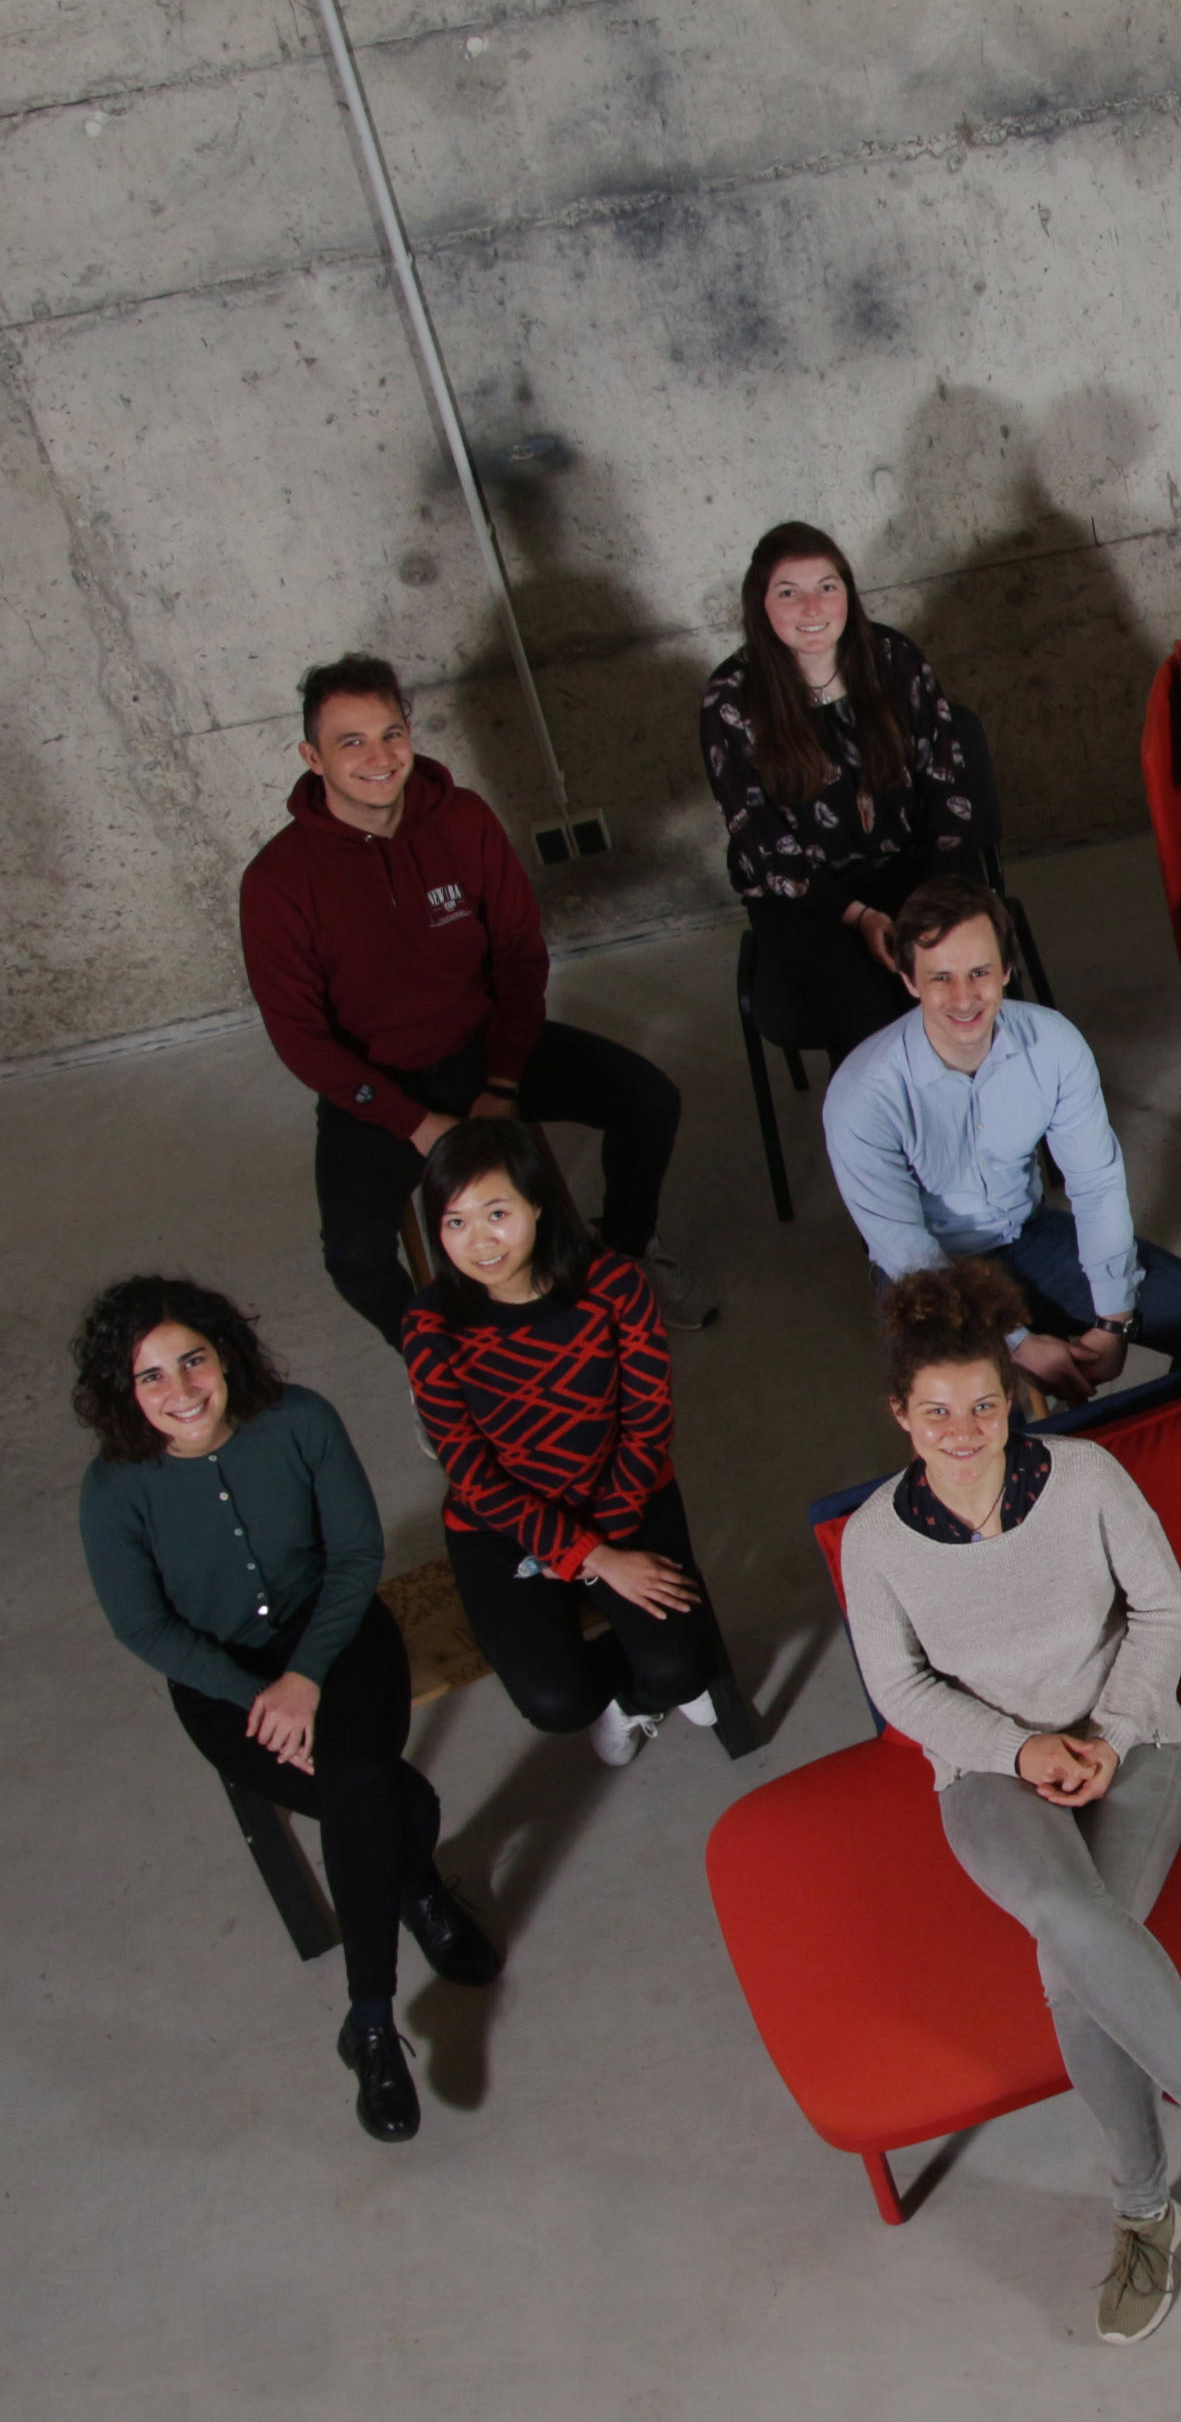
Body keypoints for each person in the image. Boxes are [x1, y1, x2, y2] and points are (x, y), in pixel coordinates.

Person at [840, 1259, 1181, 2346]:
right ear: (902, 1417)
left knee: (1071, 1963)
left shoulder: (1087, 1480)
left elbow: (1160, 1609)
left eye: (986, 1406)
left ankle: (1143, 2208)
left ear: (1017, 1402)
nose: (966, 1429)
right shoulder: (876, 1543)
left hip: (1135, 1739)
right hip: (993, 1770)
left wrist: (1107, 1732)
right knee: (1069, 1920)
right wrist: (1022, 1746)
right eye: (940, 1411)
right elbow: (902, 1689)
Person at [74, 1278, 500, 2144]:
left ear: (225, 1351)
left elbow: (354, 1557)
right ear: (125, 1393)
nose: (182, 1390)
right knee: (394, 1802)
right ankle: (416, 1889)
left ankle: (370, 2024)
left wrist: (303, 1676)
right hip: (220, 1678)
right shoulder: (112, 1490)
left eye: (192, 1359)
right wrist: (254, 1693)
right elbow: (144, 1626)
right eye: (150, 1377)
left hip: (338, 1636)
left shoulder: (301, 1419)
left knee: (354, 1781)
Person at [244, 655, 706, 1346]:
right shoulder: (276, 881)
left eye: (391, 733)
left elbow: (520, 954)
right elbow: (301, 1039)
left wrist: (501, 1081)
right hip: (381, 1086)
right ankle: (437, 1361)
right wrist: (412, 1121)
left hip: (487, 1050)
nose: (380, 757)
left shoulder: (462, 819)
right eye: (351, 742)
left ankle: (628, 1257)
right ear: (312, 756)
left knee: (649, 1101)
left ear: (409, 731)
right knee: (354, 1258)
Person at [821, 874, 1181, 1401]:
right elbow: (907, 1252)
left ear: (1006, 969)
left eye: (980, 972)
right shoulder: (860, 1096)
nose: (963, 999)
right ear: (910, 980)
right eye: (941, 978)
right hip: (926, 1271)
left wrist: (1115, 1321)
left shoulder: (1053, 1045)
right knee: (973, 1420)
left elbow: (1094, 1184)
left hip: (1024, 1235)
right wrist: (1018, 1345)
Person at [402, 1119, 731, 1768]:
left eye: (497, 1213)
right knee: (557, 1703)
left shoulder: (615, 1286)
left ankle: (636, 1701)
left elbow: (645, 1425)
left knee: (679, 1668)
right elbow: (472, 1475)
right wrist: (589, 1558)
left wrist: (599, 1540)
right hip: (499, 1523)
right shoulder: (430, 1323)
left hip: (623, 1495)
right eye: (454, 1222)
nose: (478, 1242)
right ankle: (615, 1682)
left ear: (538, 1205)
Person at [700, 520, 988, 1069]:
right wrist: (859, 916)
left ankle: (986, 1124)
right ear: (761, 605)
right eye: (790, 592)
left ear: (848, 595)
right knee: (862, 1003)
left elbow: (948, 791)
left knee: (958, 975)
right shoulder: (731, 698)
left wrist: (925, 905)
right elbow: (763, 842)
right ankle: (888, 1144)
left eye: (827, 587)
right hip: (808, 897)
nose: (812, 607)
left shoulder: (894, 659)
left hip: (916, 869)